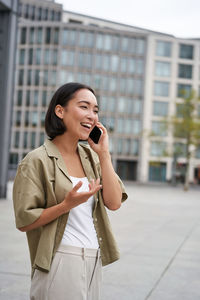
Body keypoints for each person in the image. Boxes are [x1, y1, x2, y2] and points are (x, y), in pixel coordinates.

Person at [13, 82, 128, 300]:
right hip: (60, 259)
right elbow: (24, 220)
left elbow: (114, 203)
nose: (91, 116)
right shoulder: (36, 160)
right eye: (84, 107)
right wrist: (67, 205)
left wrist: (104, 154)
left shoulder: (92, 158)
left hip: (94, 257)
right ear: (60, 111)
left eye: (95, 110)